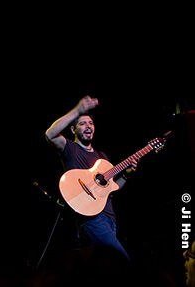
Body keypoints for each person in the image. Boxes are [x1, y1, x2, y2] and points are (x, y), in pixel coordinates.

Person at [45, 96, 137, 262]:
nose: (88, 126)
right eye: (83, 123)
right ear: (73, 130)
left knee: (105, 268)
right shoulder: (70, 148)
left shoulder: (102, 157)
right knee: (123, 262)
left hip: (109, 218)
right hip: (91, 218)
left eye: (91, 123)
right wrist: (78, 110)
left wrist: (126, 174)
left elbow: (113, 189)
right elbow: (50, 134)